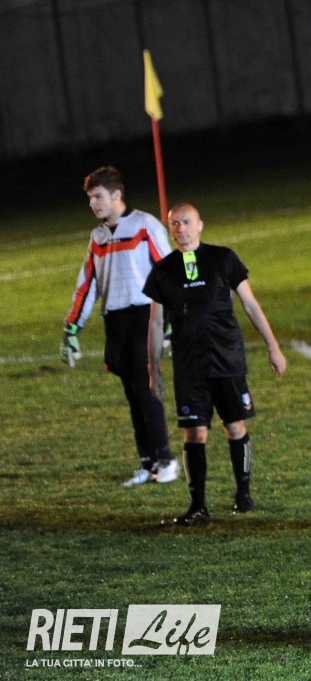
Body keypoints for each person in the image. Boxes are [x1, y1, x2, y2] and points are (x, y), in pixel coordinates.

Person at [144, 203, 287, 526]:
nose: (180, 228)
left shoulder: (223, 258)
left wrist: (273, 347)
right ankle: (198, 506)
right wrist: (154, 370)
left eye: (186, 222)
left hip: (227, 359)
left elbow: (250, 304)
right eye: (174, 223)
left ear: (200, 225)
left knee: (235, 427)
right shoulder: (163, 271)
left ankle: (243, 495)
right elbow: (155, 323)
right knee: (194, 433)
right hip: (189, 366)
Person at [62, 166, 179, 487]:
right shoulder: (98, 236)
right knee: (132, 393)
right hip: (115, 320)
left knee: (145, 387)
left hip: (145, 316)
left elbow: (167, 271)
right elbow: (88, 284)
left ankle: (166, 460)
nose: (93, 204)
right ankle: (148, 463)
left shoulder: (144, 225)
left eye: (98, 197)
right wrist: (72, 328)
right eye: (90, 198)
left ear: (116, 195)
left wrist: (171, 320)